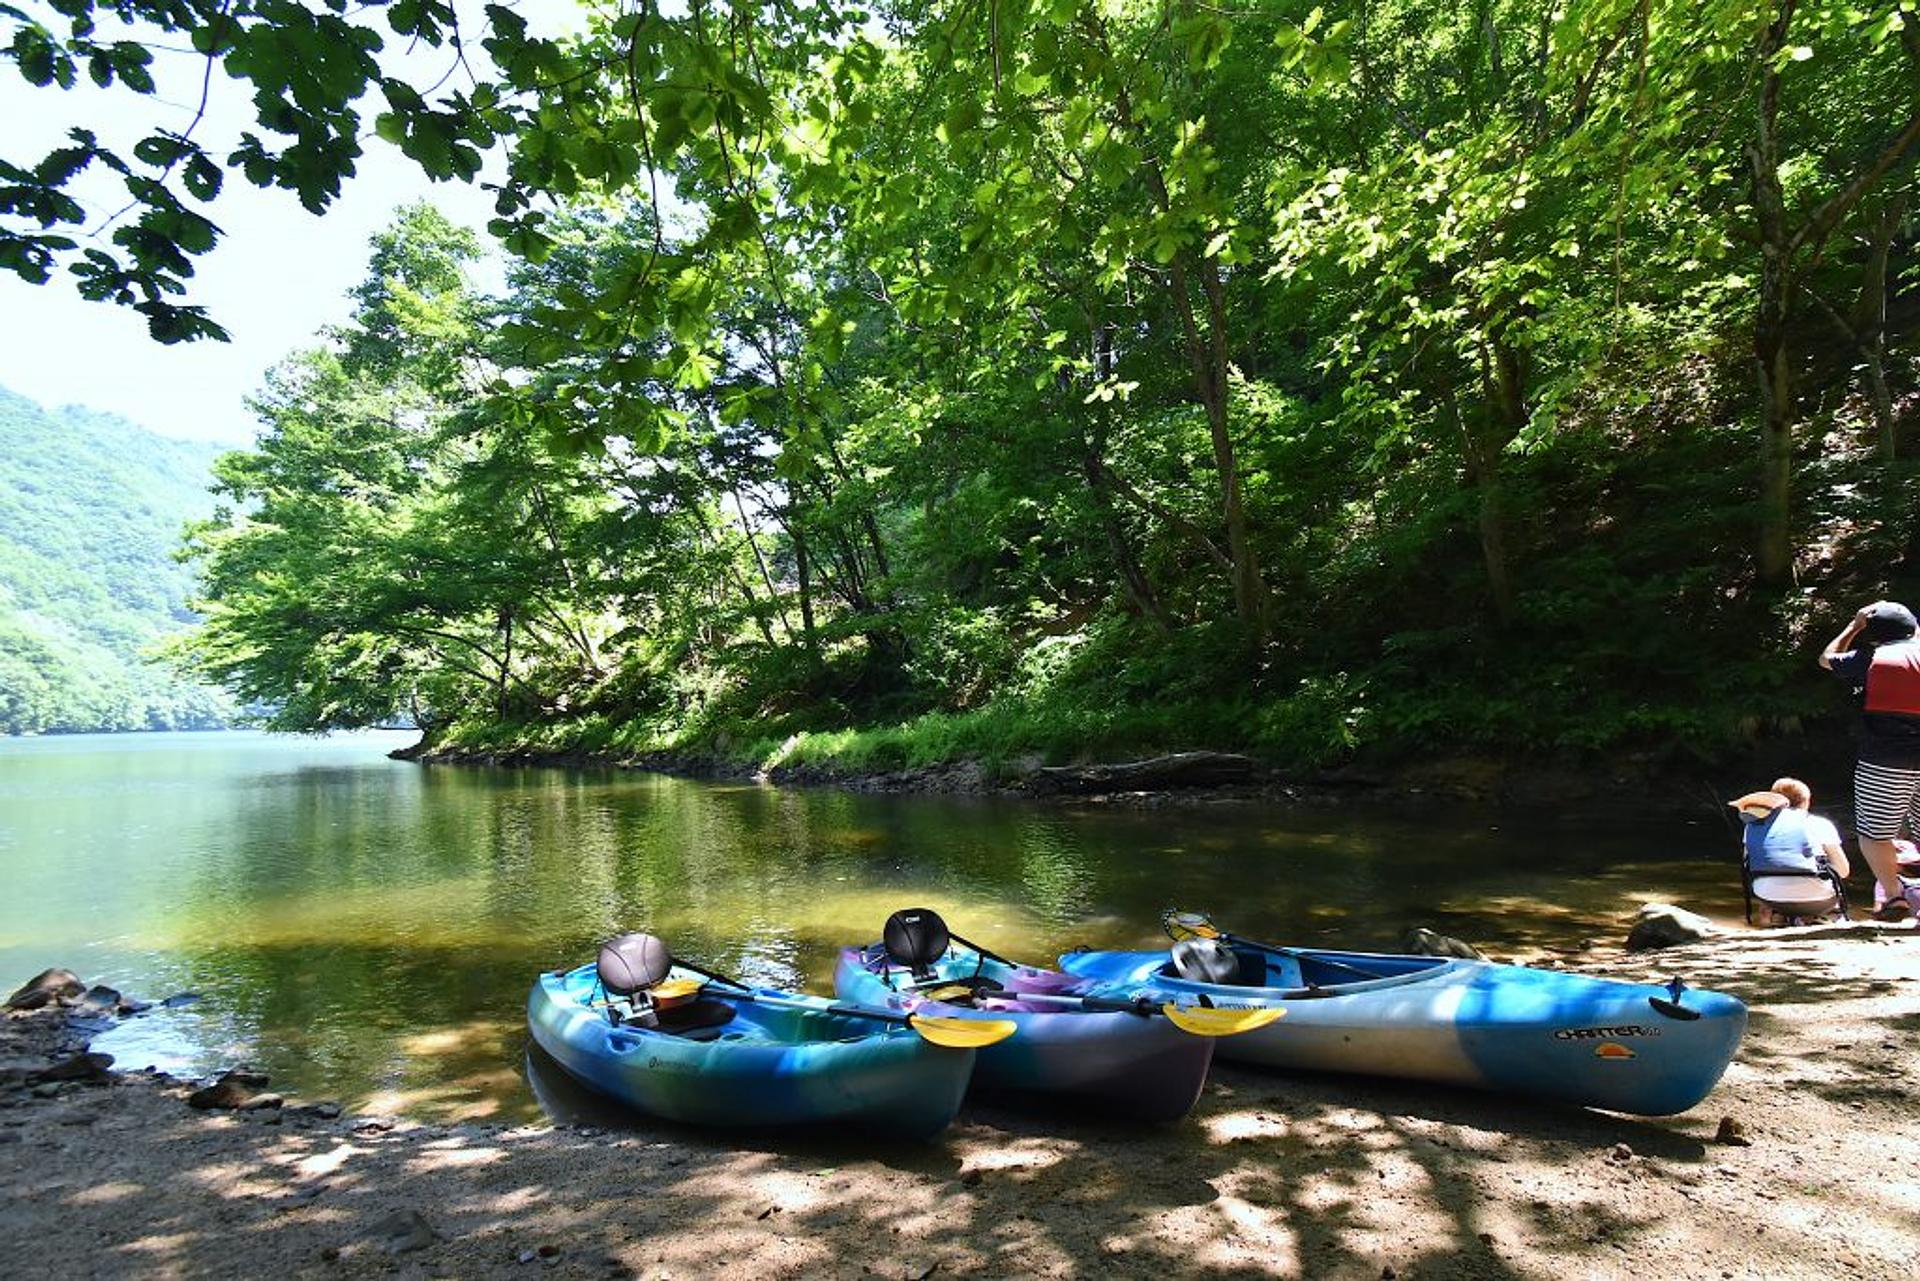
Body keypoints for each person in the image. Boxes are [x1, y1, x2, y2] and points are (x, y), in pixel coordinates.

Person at [1818, 599, 1920, 919]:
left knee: (1875, 834)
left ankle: (1893, 896)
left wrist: (1854, 626)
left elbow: (1826, 659)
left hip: (1884, 758)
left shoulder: (1871, 658)